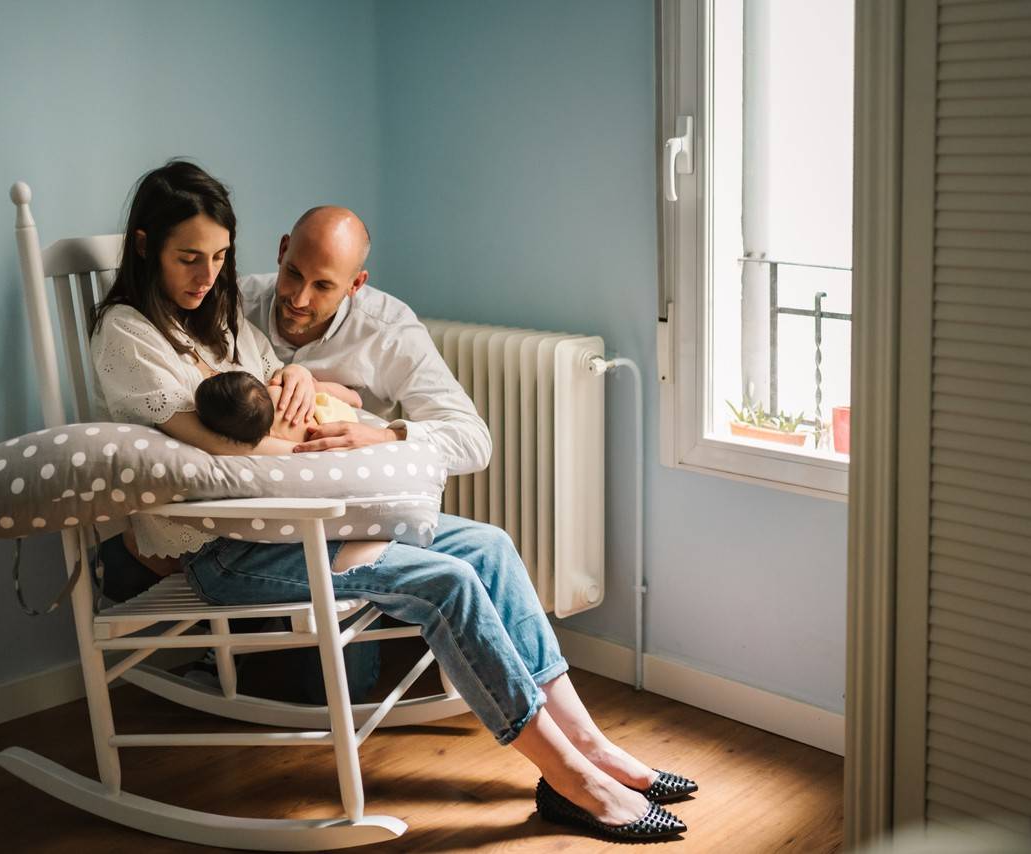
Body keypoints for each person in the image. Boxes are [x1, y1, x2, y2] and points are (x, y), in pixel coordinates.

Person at [93, 160, 693, 842]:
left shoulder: (221, 317)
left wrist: (300, 378)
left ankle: (592, 747)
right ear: (145, 248)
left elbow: (275, 372)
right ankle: (572, 783)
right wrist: (331, 456)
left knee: (488, 547)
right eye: (189, 259)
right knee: (446, 582)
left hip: (299, 525)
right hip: (232, 549)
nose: (207, 277)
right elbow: (211, 445)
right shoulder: (128, 333)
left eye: (221, 258)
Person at [194, 370, 359, 449]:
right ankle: (354, 397)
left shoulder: (270, 435)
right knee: (316, 388)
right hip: (330, 409)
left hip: (334, 431)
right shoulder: (275, 392)